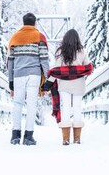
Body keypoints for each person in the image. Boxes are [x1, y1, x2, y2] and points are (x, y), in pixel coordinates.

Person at [42, 29, 93, 145]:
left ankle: (65, 139)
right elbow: (88, 68)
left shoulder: (61, 52)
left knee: (65, 109)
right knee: (77, 108)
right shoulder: (82, 51)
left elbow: (56, 70)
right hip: (79, 84)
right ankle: (77, 139)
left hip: (64, 84)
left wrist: (47, 85)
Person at [6, 12, 49, 145]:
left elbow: (10, 62)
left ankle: (15, 135)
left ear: (23, 23)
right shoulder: (39, 36)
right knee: (31, 104)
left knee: (17, 104)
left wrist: (11, 82)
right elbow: (44, 59)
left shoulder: (14, 37)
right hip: (34, 74)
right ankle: (28, 136)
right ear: (34, 23)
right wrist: (48, 79)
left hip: (18, 74)